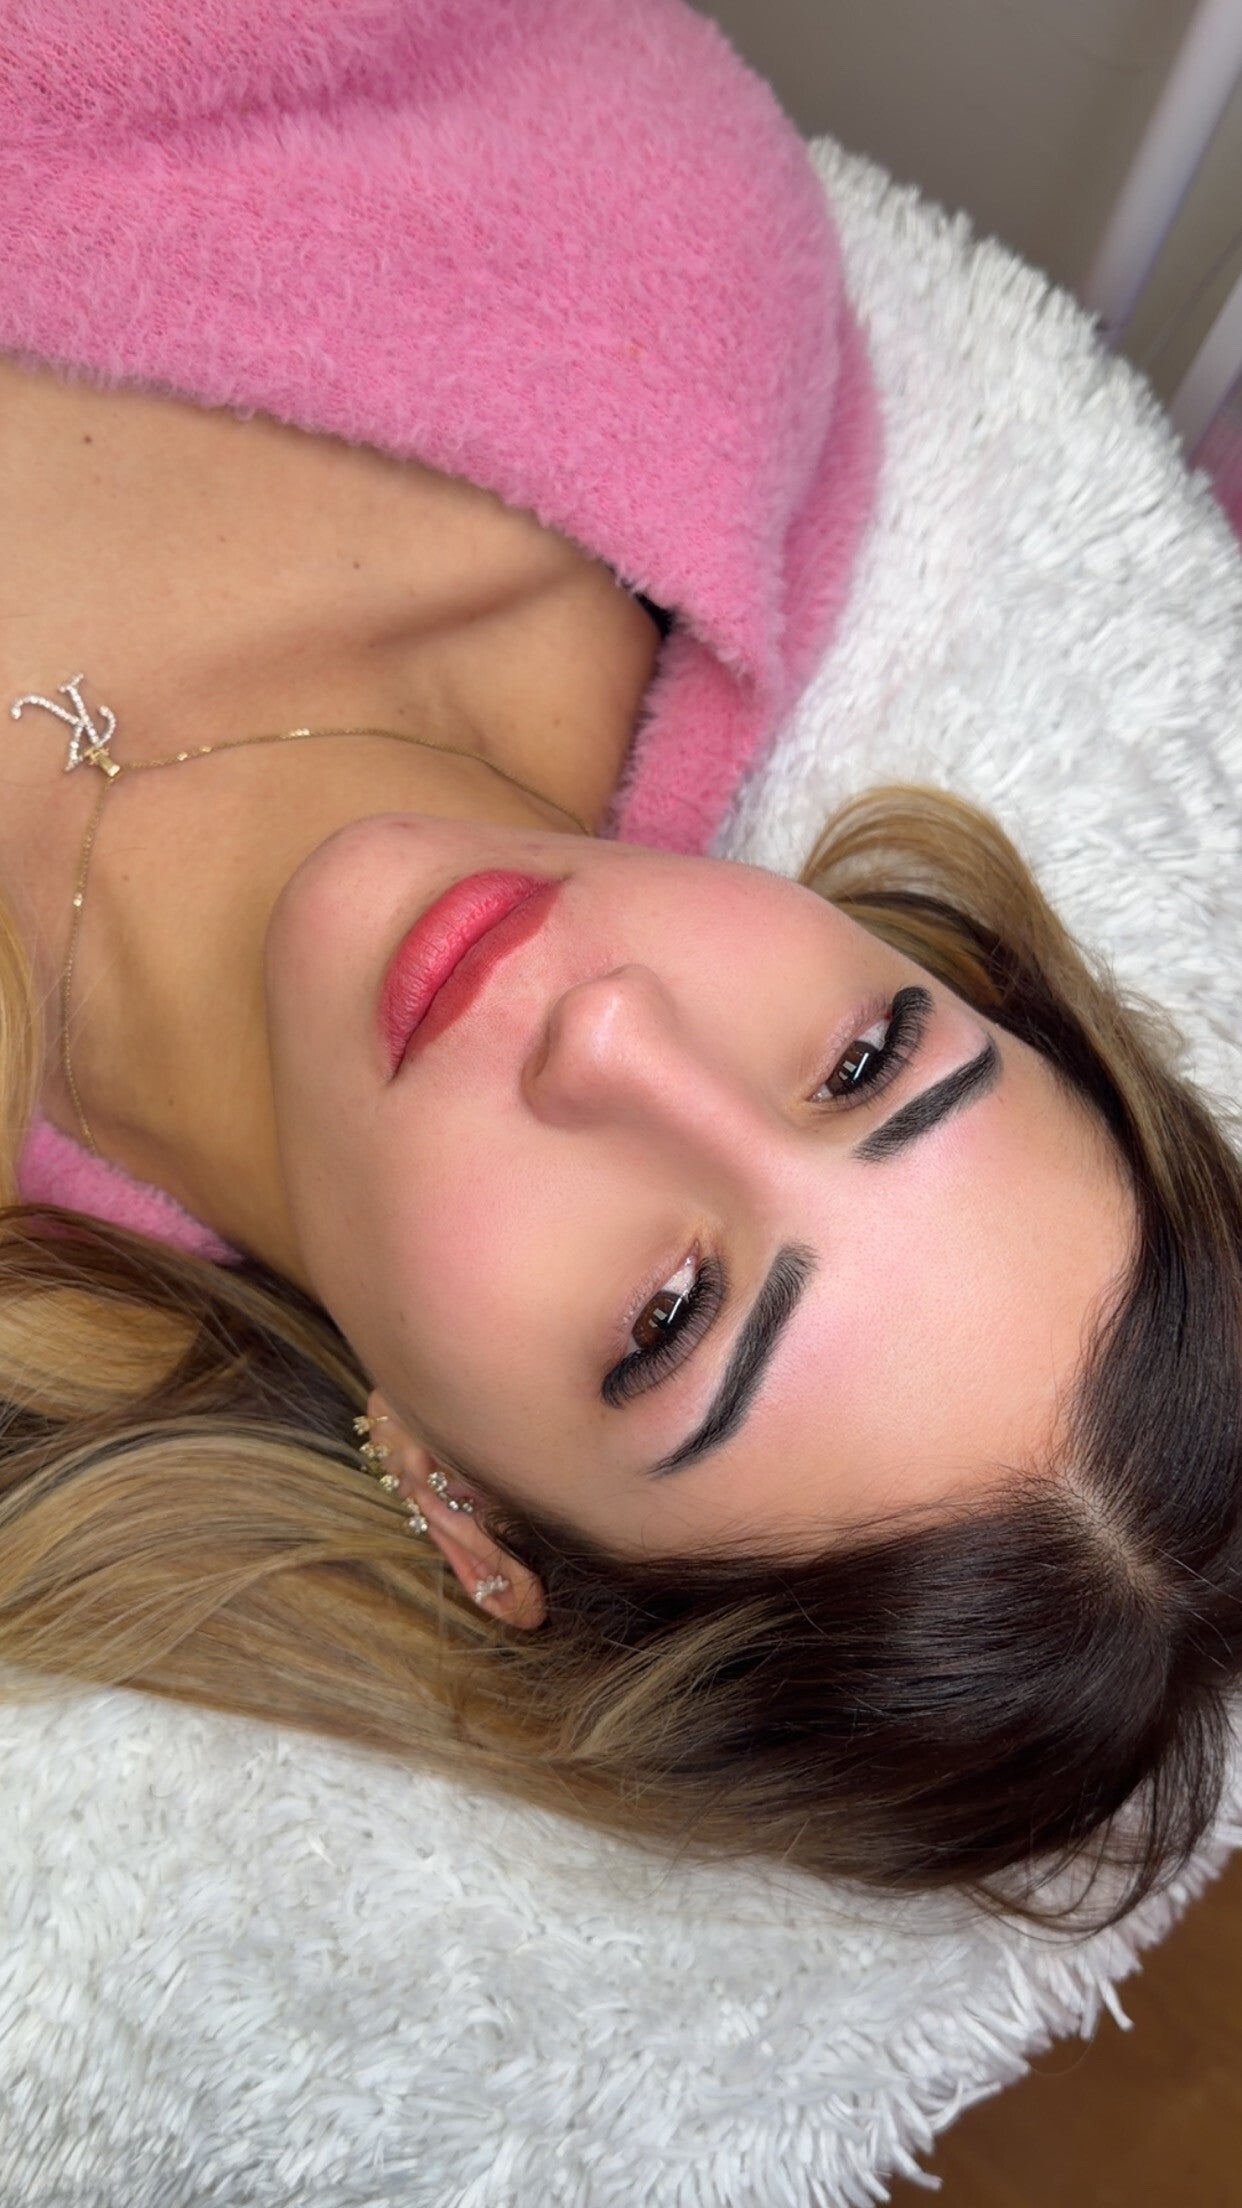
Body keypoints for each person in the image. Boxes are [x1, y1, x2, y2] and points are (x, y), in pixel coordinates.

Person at [0, 0, 1240, 1925]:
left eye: (668, 1317)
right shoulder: (642, 292)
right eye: (861, 1064)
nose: (610, 1038)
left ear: (461, 1506)